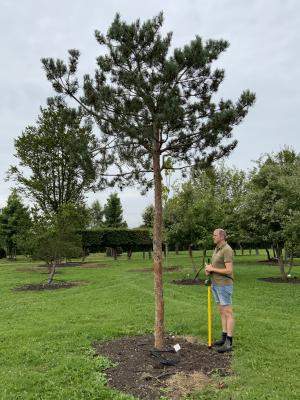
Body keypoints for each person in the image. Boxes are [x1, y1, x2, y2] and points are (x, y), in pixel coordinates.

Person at [205, 228, 234, 353]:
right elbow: (215, 266)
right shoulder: (216, 249)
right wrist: (209, 269)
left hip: (224, 285)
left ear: (221, 236)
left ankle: (229, 342)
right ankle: (223, 337)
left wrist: (213, 269)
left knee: (228, 312)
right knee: (221, 311)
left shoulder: (227, 250)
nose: (213, 237)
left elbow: (229, 270)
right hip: (215, 284)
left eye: (215, 235)